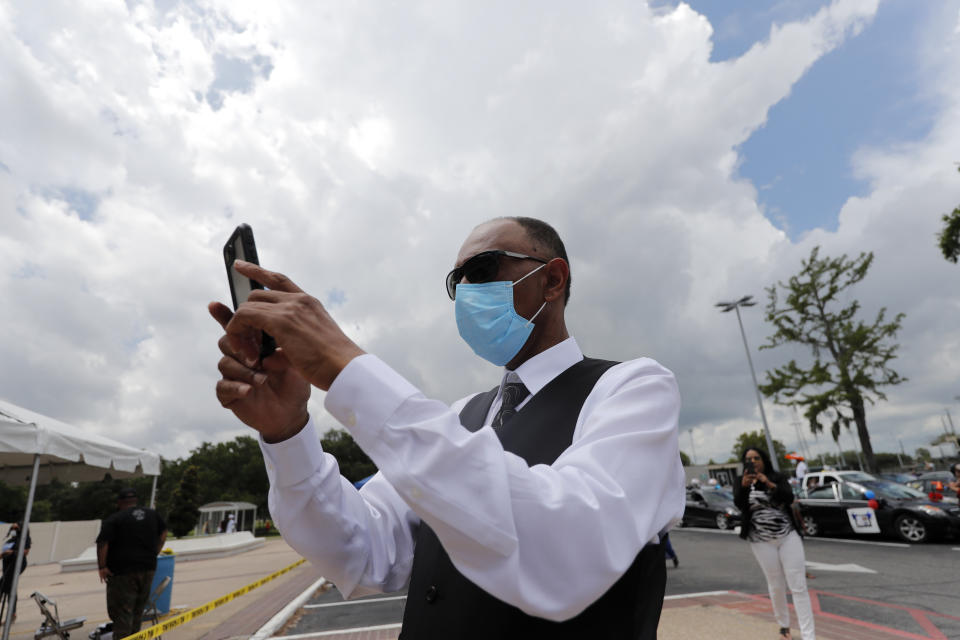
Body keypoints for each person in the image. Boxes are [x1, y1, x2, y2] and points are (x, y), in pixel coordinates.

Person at [210, 217, 685, 639]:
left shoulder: (633, 389)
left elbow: (566, 546)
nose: (467, 292)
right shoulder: (460, 417)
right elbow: (361, 552)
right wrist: (288, 432)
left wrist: (345, 368)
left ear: (553, 280)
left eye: (481, 271)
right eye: (458, 282)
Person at [735, 448, 815, 640]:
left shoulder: (777, 477)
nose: (753, 461)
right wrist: (745, 487)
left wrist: (768, 483)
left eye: (756, 458)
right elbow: (740, 505)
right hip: (760, 540)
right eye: (749, 459)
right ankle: (784, 626)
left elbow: (788, 497)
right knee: (776, 584)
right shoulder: (740, 481)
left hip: (787, 536)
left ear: (764, 460)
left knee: (798, 586)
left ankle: (808, 635)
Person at [95, 488, 167, 639]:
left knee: (122, 614)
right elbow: (164, 532)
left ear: (120, 503)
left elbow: (103, 543)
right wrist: (154, 551)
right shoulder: (152, 514)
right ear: (135, 501)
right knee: (137, 612)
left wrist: (102, 567)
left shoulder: (115, 519)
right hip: (148, 569)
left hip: (123, 573)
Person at [0, 522, 30, 624]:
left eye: (15, 528)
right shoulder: (10, 540)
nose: (13, 530)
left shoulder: (24, 538)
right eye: (12, 528)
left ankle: (11, 615)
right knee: (8, 587)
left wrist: (11, 552)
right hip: (7, 567)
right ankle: (11, 615)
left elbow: (25, 552)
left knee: (7, 586)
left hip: (17, 565)